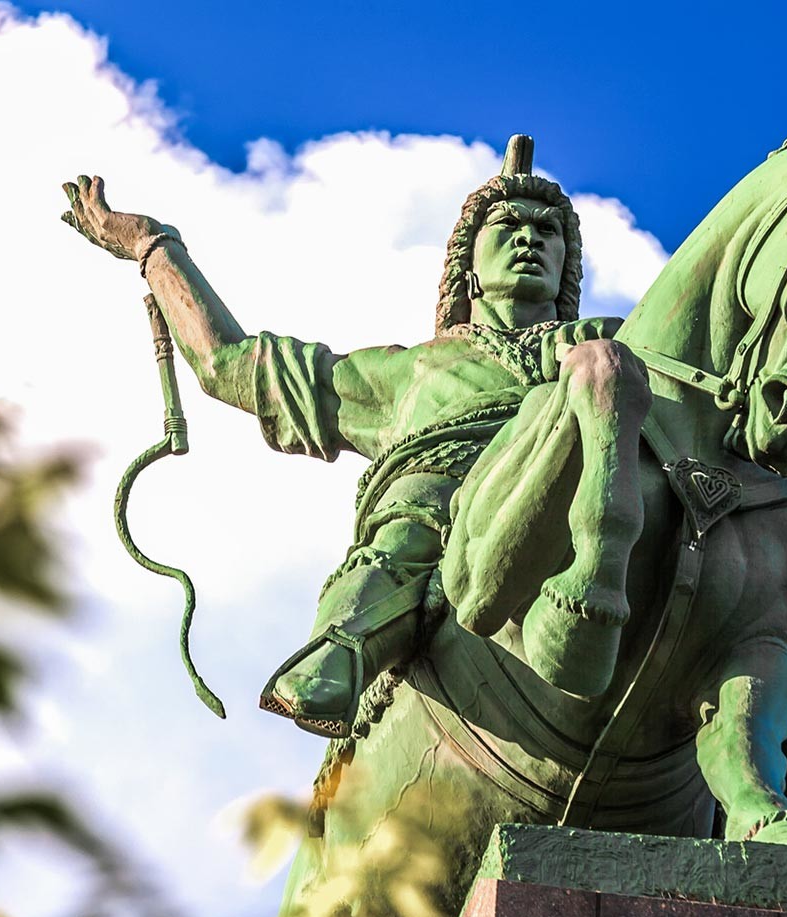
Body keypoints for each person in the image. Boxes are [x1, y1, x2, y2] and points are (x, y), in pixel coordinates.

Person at [62, 137, 619, 737]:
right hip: (440, 522)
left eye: (548, 231)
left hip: (592, 500)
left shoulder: (614, 344)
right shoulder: (404, 373)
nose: (530, 239)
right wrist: (152, 247)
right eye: (508, 224)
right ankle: (345, 645)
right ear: (469, 269)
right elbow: (229, 363)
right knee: (415, 516)